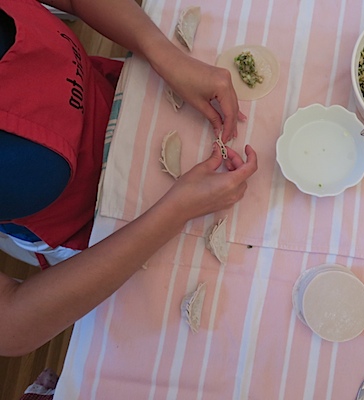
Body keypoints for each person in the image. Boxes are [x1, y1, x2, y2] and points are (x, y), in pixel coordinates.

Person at [0, 0, 258, 357]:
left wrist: (163, 52)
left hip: (123, 95)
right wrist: (175, 213)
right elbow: (11, 325)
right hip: (88, 235)